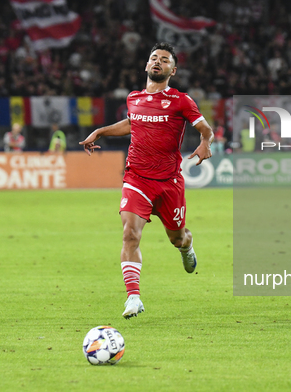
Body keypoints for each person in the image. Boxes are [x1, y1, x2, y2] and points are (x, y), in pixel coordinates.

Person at [79, 43, 213, 319]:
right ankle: (133, 297)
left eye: (164, 60)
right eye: (154, 58)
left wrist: (205, 142)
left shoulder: (181, 101)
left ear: (172, 70)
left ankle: (186, 246)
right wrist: (100, 132)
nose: (157, 62)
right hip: (137, 178)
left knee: (177, 236)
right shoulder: (134, 98)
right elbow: (132, 123)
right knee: (130, 233)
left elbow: (204, 128)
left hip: (169, 181)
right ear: (146, 65)